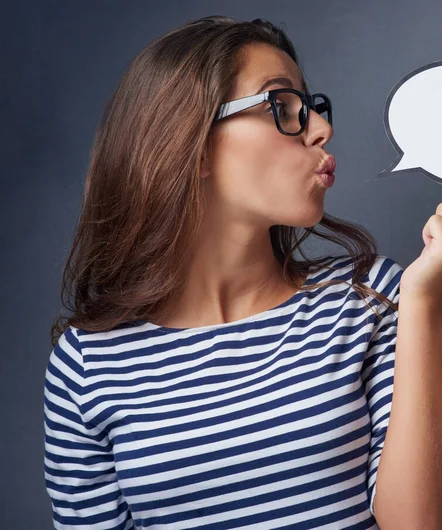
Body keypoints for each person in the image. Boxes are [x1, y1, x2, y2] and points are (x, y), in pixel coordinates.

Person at [43, 15, 404, 529]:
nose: (321, 129)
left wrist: (428, 302)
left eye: (312, 108)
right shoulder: (86, 366)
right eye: (283, 106)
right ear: (193, 144)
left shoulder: (370, 297)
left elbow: (420, 520)